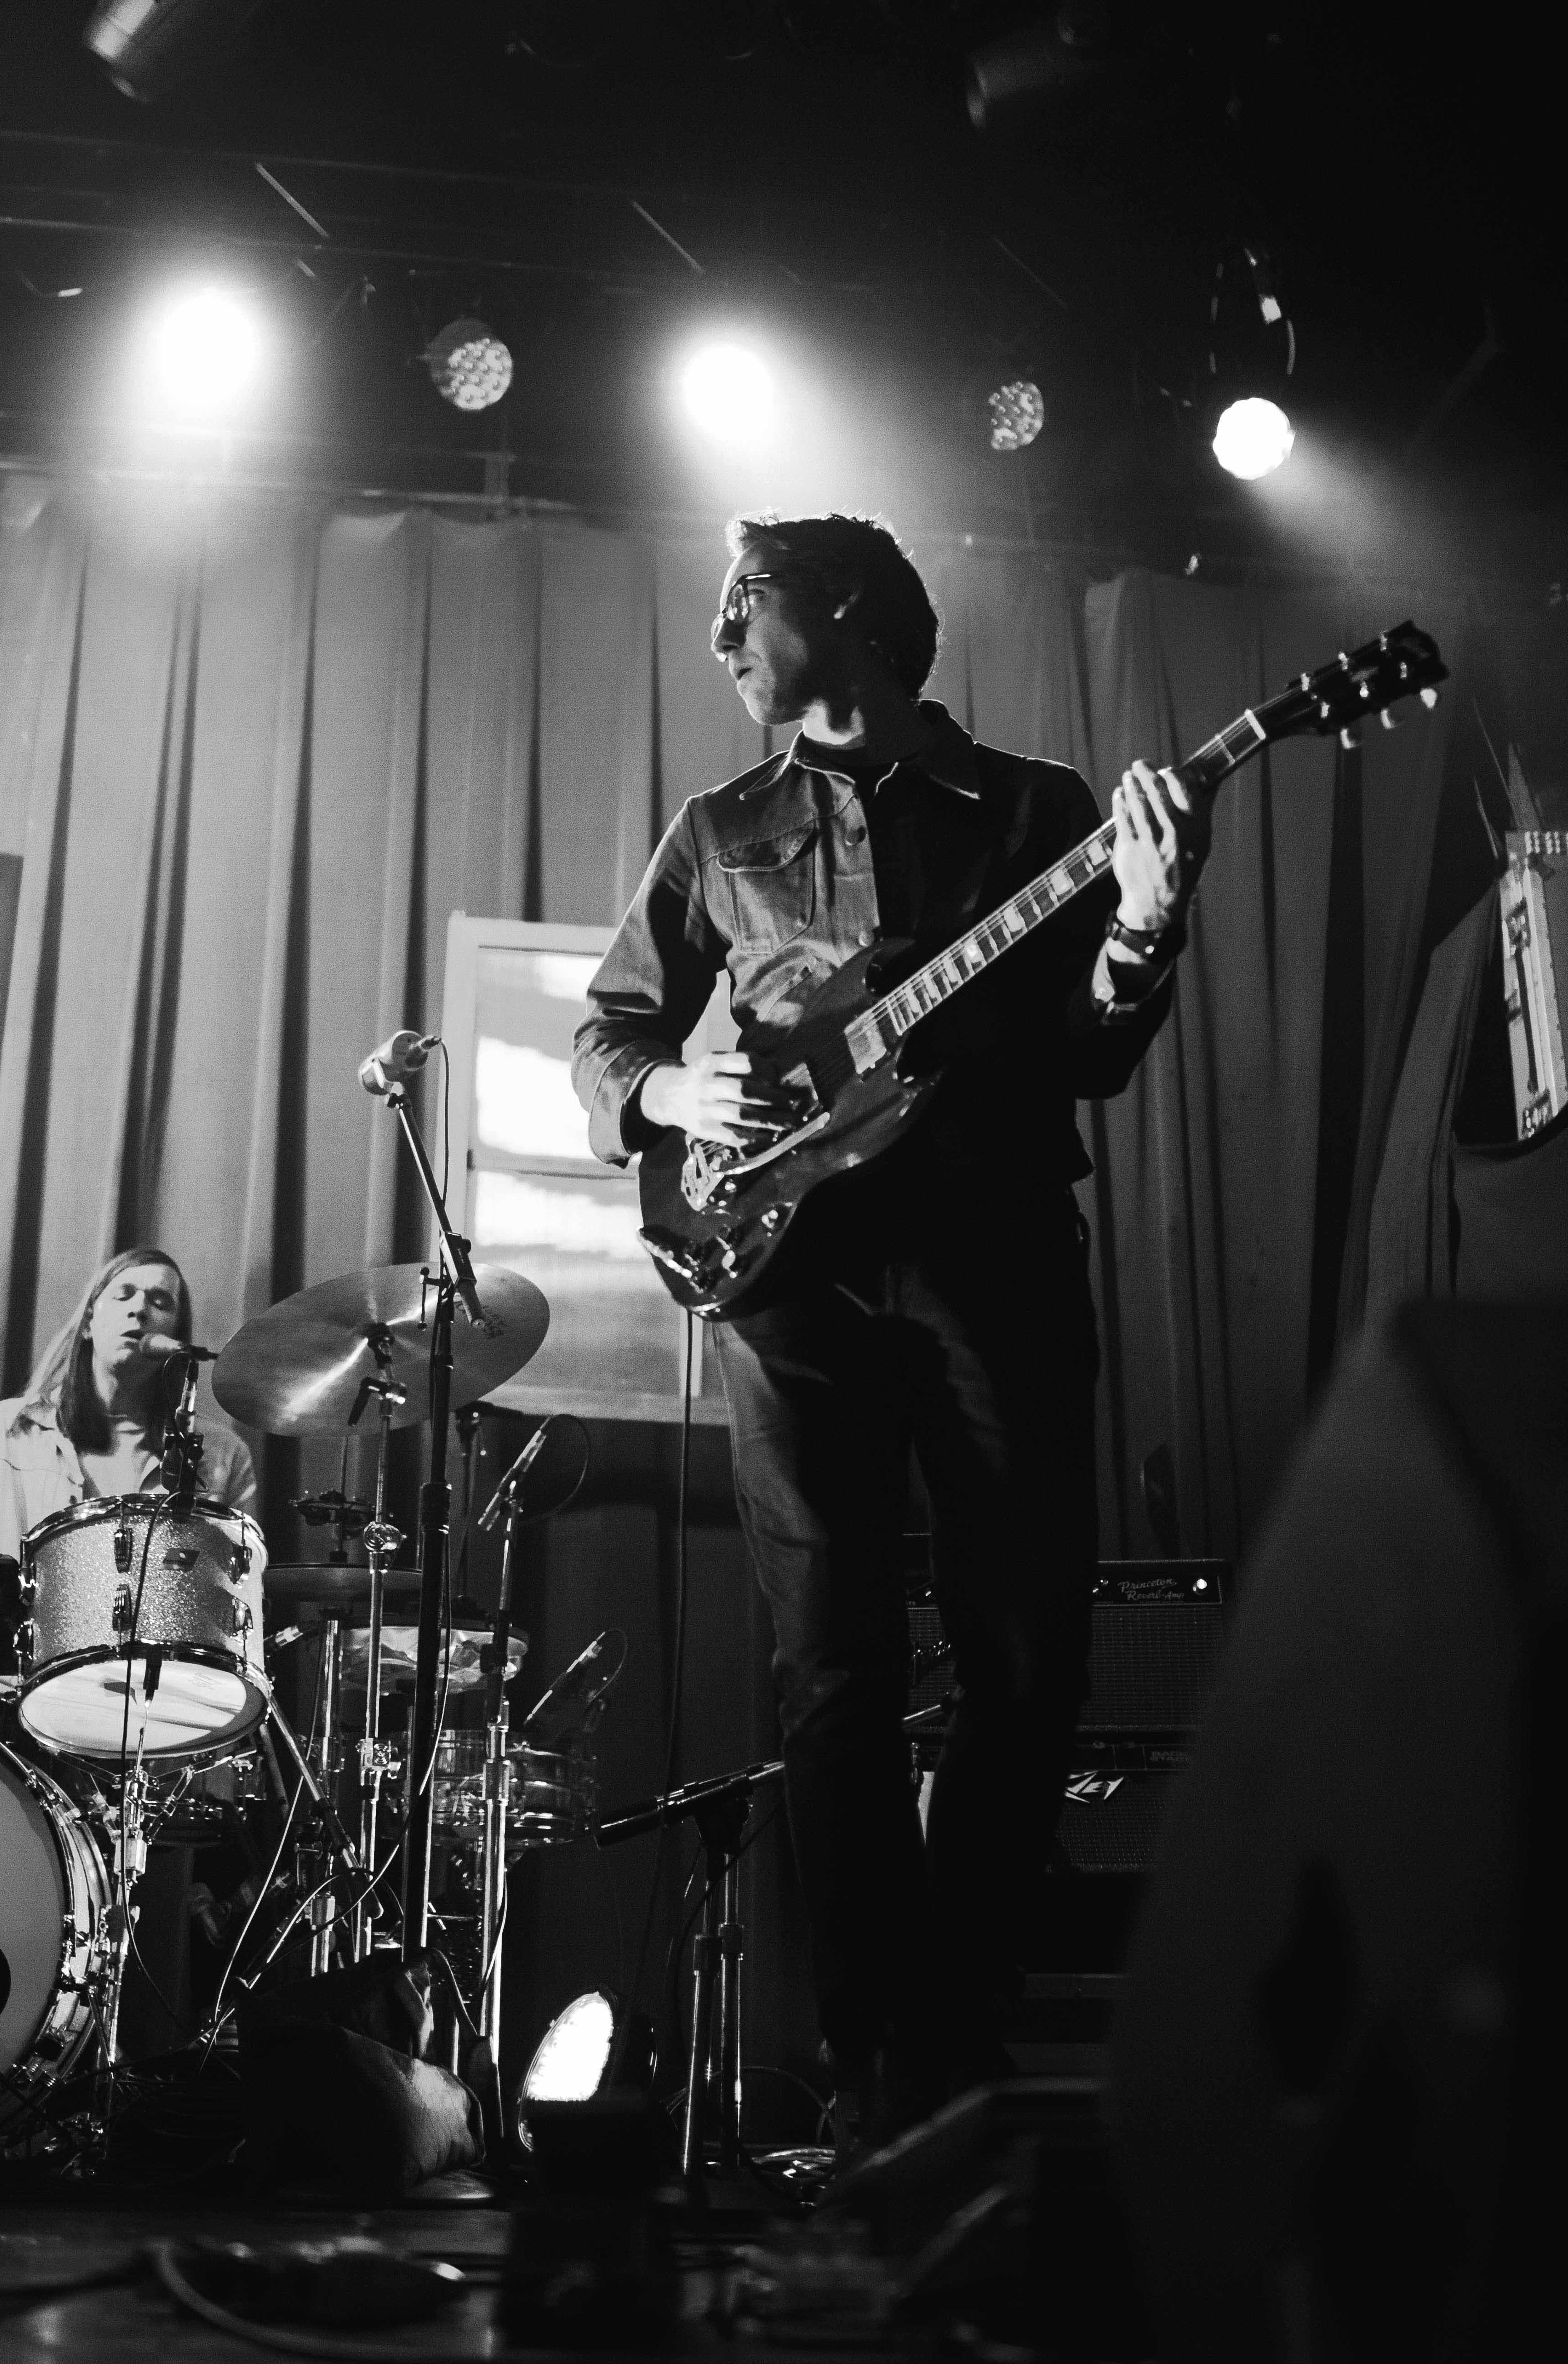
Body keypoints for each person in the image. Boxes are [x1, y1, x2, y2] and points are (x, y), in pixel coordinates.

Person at [572, 512, 1212, 2143]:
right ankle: (877, 2073)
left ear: (848, 610)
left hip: (994, 1249)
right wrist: (672, 1091)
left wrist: (1142, 923)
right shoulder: (720, 826)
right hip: (786, 1272)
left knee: (1029, 1652)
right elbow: (612, 1029)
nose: (720, 634)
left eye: (745, 602)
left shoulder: (1038, 813)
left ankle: (953, 2033)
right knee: (832, 1665)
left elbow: (1090, 1050)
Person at [0, 1245, 258, 1552]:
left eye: (159, 1302)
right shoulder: (5, 1430)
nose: (139, 1309)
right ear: (88, 1323)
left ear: (176, 1337)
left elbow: (238, 1588)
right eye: (124, 1296)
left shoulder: (223, 1455)